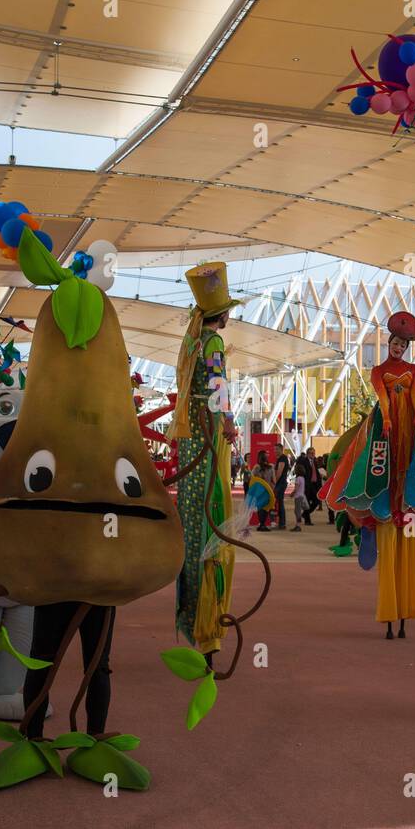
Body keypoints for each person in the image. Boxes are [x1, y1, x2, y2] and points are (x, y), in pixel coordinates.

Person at [322, 310, 415, 639]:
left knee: (411, 534)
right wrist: (387, 419)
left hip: (409, 430)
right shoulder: (378, 371)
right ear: (389, 343)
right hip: (387, 430)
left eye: (403, 343)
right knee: (377, 463)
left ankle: (407, 609)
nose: (398, 347)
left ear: (407, 346)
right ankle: (390, 608)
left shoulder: (414, 371)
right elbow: (383, 399)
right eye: (395, 342)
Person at [170, 261, 240, 661]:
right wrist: (228, 423)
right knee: (212, 524)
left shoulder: (193, 341)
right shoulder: (211, 344)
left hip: (193, 439)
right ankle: (207, 623)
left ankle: (194, 614)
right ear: (223, 313)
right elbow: (218, 387)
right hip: (209, 438)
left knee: (194, 523)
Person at [254, 451, 274, 530]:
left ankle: (261, 524)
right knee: (266, 507)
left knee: (260, 507)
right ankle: (263, 524)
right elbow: (274, 480)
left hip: (259, 490)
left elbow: (252, 478)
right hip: (268, 490)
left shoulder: (256, 467)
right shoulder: (271, 467)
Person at [273, 451, 291, 530]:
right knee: (279, 503)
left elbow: (279, 472)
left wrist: (274, 482)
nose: (275, 451)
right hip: (281, 483)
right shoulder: (280, 458)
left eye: (276, 449)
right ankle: (281, 523)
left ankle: (282, 523)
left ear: (280, 449)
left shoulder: (282, 458)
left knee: (280, 503)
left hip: (280, 483)